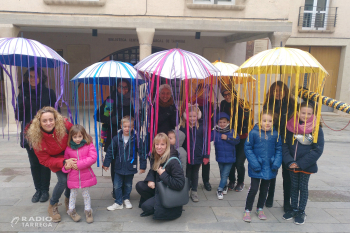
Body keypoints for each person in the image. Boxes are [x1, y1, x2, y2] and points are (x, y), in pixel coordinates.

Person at [26, 106, 76, 223]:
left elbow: (79, 133)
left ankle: (69, 201)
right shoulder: (36, 138)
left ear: (55, 119)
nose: (48, 123)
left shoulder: (64, 125)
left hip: (69, 154)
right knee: (63, 180)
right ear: (39, 122)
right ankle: (53, 204)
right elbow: (44, 160)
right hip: (56, 160)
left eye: (51, 119)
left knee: (71, 179)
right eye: (44, 120)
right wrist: (63, 162)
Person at [16, 67, 57, 203]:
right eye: (30, 77)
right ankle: (38, 189)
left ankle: (45, 190)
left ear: (41, 78)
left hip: (44, 133)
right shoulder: (23, 94)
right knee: (34, 163)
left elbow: (55, 114)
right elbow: (19, 115)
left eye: (35, 77)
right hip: (29, 133)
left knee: (44, 162)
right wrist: (21, 105)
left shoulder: (49, 93)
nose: (33, 79)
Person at [282, 102, 324, 225]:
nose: (305, 115)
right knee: (293, 187)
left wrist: (300, 163)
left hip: (305, 165)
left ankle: (301, 211)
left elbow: (318, 149)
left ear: (313, 114)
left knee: (303, 187)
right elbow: (284, 145)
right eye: (303, 113)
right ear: (298, 112)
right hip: (292, 164)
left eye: (309, 113)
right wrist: (289, 161)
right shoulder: (290, 126)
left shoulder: (316, 129)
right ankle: (294, 209)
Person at [95, 79, 135, 199]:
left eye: (125, 87)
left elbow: (137, 118)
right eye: (120, 87)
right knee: (115, 162)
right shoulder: (110, 100)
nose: (123, 89)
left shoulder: (131, 101)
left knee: (126, 161)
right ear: (116, 87)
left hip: (127, 137)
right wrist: (110, 120)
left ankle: (124, 189)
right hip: (113, 137)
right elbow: (97, 115)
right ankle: (116, 188)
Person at [243, 110, 282, 222]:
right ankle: (247, 210)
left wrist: (276, 163)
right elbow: (248, 148)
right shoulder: (254, 133)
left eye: (270, 121)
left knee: (265, 189)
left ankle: (260, 208)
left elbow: (279, 150)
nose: (267, 123)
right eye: (264, 120)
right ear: (260, 121)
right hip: (257, 166)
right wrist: (254, 163)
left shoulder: (275, 134)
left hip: (270, 166)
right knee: (254, 188)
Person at [136, 133, 185, 220]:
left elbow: (179, 184)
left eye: (162, 144)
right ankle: (155, 202)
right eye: (157, 144)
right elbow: (153, 170)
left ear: (167, 145)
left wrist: (163, 174)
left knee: (145, 207)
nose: (159, 147)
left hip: (169, 192)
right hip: (160, 187)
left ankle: (162, 206)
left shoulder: (173, 161)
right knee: (140, 186)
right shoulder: (156, 156)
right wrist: (150, 180)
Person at [103, 116, 147, 210]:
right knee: (117, 185)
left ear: (132, 127)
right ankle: (118, 202)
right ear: (121, 126)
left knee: (128, 184)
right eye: (125, 126)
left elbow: (142, 152)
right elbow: (110, 151)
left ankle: (126, 198)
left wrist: (143, 166)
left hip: (130, 166)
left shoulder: (136, 139)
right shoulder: (116, 138)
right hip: (118, 167)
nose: (127, 128)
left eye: (129, 126)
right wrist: (106, 163)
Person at [264, 81, 295, 210]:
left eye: (280, 90)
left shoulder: (292, 105)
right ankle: (269, 196)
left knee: (287, 175)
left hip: (287, 143)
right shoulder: (268, 105)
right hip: (273, 142)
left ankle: (287, 201)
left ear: (285, 91)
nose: (277, 93)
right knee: (272, 171)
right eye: (275, 90)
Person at [62, 124, 97, 223]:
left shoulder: (88, 144)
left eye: (80, 136)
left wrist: (79, 164)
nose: (77, 139)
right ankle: (71, 210)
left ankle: (88, 210)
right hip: (73, 177)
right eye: (75, 137)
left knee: (86, 194)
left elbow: (93, 157)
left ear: (83, 136)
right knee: (73, 194)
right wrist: (66, 167)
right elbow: (66, 162)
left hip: (85, 175)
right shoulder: (68, 148)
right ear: (71, 137)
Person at [220, 89, 250, 192]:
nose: (227, 97)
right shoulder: (223, 104)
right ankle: (231, 181)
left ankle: (240, 181)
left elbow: (247, 118)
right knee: (231, 161)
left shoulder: (242, 103)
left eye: (229, 94)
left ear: (234, 94)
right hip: (230, 137)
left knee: (239, 162)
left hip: (242, 137)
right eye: (225, 95)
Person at [180, 104, 208, 202]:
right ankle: (186, 190)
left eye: (194, 116)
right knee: (187, 173)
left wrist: (206, 155)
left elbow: (206, 142)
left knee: (195, 173)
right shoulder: (183, 128)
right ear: (186, 116)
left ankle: (194, 191)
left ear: (198, 116)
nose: (192, 118)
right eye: (190, 116)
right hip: (186, 155)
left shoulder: (202, 128)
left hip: (197, 154)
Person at [211, 112, 240, 200]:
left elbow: (237, 141)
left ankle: (219, 189)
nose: (222, 124)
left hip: (230, 157)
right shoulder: (215, 132)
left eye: (224, 122)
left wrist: (228, 138)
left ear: (228, 122)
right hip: (220, 157)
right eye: (220, 122)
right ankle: (224, 186)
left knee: (224, 174)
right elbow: (208, 138)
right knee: (222, 173)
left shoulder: (232, 131)